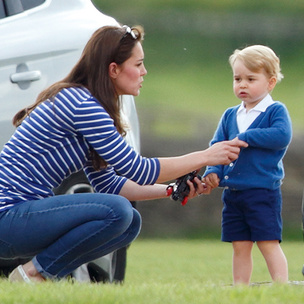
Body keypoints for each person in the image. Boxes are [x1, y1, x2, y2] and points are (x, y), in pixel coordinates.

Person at [1, 25, 247, 283]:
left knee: (129, 222)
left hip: (17, 219)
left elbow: (109, 184)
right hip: (7, 217)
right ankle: (34, 273)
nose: (144, 72)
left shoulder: (89, 104)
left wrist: (173, 190)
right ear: (114, 69)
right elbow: (139, 169)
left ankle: (38, 274)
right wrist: (207, 156)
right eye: (138, 64)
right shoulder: (83, 105)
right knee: (118, 211)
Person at [203, 45, 292, 285]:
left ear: (270, 82)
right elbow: (217, 145)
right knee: (240, 245)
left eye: (251, 79)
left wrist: (247, 137)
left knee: (267, 242)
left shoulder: (275, 110)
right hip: (234, 193)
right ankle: (240, 288)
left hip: (263, 191)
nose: (242, 84)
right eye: (237, 78)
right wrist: (212, 170)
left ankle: (281, 286)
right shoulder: (230, 115)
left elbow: (282, 135)